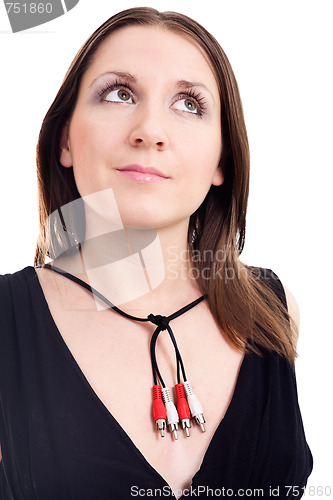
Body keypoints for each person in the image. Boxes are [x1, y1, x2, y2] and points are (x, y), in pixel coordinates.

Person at [0, 7, 312, 499]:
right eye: (119, 94)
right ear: (64, 139)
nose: (150, 130)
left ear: (221, 160)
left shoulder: (277, 311)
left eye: (189, 103)